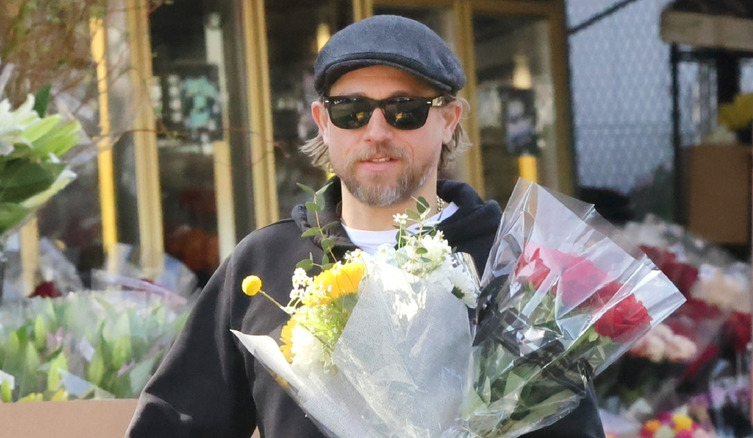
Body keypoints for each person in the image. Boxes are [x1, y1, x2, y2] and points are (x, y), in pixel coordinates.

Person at [126, 15, 605, 438]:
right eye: (350, 111)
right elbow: (175, 423)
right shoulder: (264, 263)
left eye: (404, 110)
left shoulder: (512, 265)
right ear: (322, 121)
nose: (377, 131)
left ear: (449, 121)